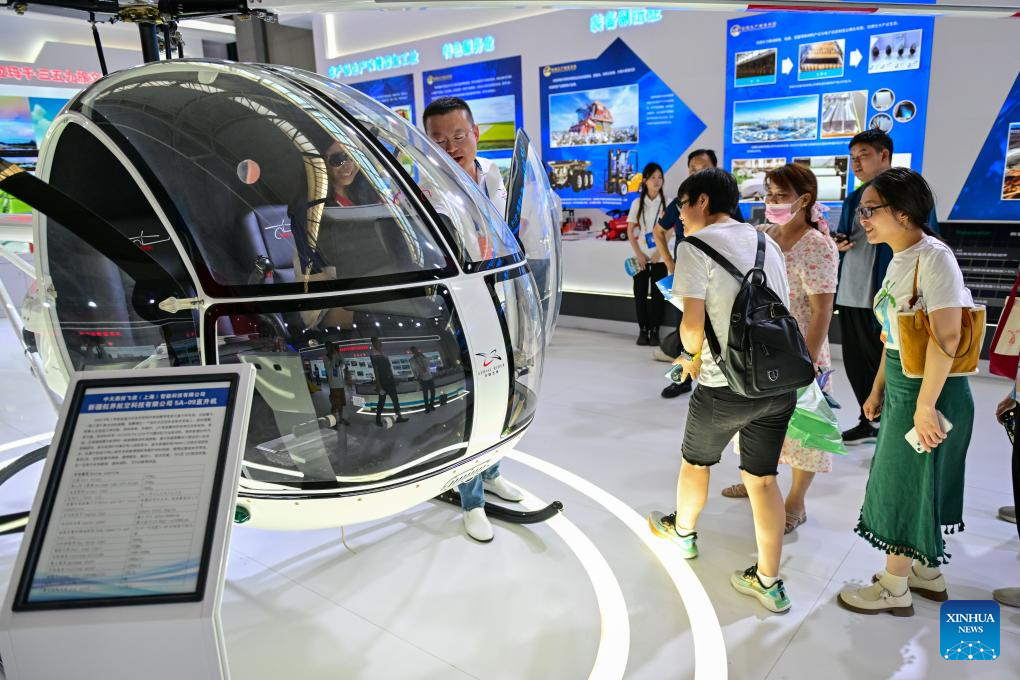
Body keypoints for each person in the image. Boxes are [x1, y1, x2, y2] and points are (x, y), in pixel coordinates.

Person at [647, 168, 796, 614]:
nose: (679, 215)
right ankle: (768, 581)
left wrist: (688, 356)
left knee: (696, 462)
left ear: (703, 201)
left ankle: (683, 533)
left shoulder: (695, 246)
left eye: (682, 205)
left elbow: (692, 327)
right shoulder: (766, 242)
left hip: (724, 384)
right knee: (763, 479)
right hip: (778, 382)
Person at [838, 168, 974, 616]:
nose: (863, 220)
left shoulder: (934, 258)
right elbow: (895, 336)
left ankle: (894, 586)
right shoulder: (900, 257)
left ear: (903, 212)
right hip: (906, 385)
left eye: (870, 210)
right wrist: (877, 387)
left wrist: (925, 406)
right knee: (915, 479)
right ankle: (925, 572)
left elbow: (947, 337)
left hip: (930, 392)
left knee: (904, 482)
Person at [423, 96, 524, 543]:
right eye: (438, 140)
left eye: (458, 136)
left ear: (476, 133)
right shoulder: (424, 191)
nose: (451, 147)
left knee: (500, 390)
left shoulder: (494, 175)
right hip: (456, 309)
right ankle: (471, 498)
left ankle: (493, 470)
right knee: (470, 398)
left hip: (497, 298)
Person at [719, 164, 838, 535]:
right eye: (769, 194)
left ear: (805, 200)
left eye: (781, 195)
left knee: (804, 428)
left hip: (800, 349)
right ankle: (757, 479)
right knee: (754, 418)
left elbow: (822, 311)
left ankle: (796, 501)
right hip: (760, 346)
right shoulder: (762, 236)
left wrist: (807, 362)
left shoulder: (817, 246)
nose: (772, 201)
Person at [834, 130, 939, 445]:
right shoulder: (853, 198)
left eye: (863, 155)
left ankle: (894, 423)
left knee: (890, 357)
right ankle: (868, 419)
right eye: (853, 158)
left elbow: (924, 234)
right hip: (852, 292)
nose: (856, 163)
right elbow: (844, 233)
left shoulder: (907, 193)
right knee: (856, 361)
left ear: (884, 155)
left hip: (888, 294)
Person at [656, 150, 745, 399]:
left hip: (718, 280)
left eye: (702, 168)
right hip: (688, 274)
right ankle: (683, 378)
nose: (681, 213)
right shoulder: (683, 202)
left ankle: (718, 374)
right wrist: (670, 263)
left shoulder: (725, 207)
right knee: (687, 325)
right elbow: (659, 231)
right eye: (692, 168)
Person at [628, 162, 667, 347]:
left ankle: (655, 331)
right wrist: (639, 254)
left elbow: (670, 229)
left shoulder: (667, 201)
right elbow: (630, 231)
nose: (657, 181)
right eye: (653, 177)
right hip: (642, 257)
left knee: (659, 295)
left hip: (661, 257)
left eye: (660, 177)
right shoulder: (637, 203)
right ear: (644, 181)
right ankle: (643, 330)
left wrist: (660, 252)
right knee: (640, 294)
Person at [370, 337, 408, 427]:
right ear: (374, 344)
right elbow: (376, 369)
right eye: (376, 342)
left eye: (379, 341)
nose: (379, 343)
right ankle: (378, 420)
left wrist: (393, 379)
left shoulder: (384, 354)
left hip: (390, 381)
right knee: (381, 402)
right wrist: (379, 384)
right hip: (383, 382)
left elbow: (389, 368)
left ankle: (399, 417)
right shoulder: (373, 354)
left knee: (395, 400)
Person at [326, 343, 350, 426]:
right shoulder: (326, 358)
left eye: (335, 348)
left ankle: (341, 419)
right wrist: (334, 356)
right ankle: (334, 422)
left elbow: (343, 363)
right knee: (335, 405)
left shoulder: (337, 356)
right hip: (333, 385)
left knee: (341, 404)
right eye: (331, 348)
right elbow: (332, 367)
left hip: (340, 384)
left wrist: (339, 353)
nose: (334, 350)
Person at [409, 346, 436, 413]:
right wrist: (416, 378)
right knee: (425, 395)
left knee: (433, 392)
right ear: (412, 352)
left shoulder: (423, 356)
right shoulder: (412, 360)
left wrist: (423, 356)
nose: (416, 351)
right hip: (422, 379)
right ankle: (427, 408)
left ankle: (431, 405)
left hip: (429, 377)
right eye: (414, 351)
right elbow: (414, 370)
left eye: (416, 350)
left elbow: (428, 363)